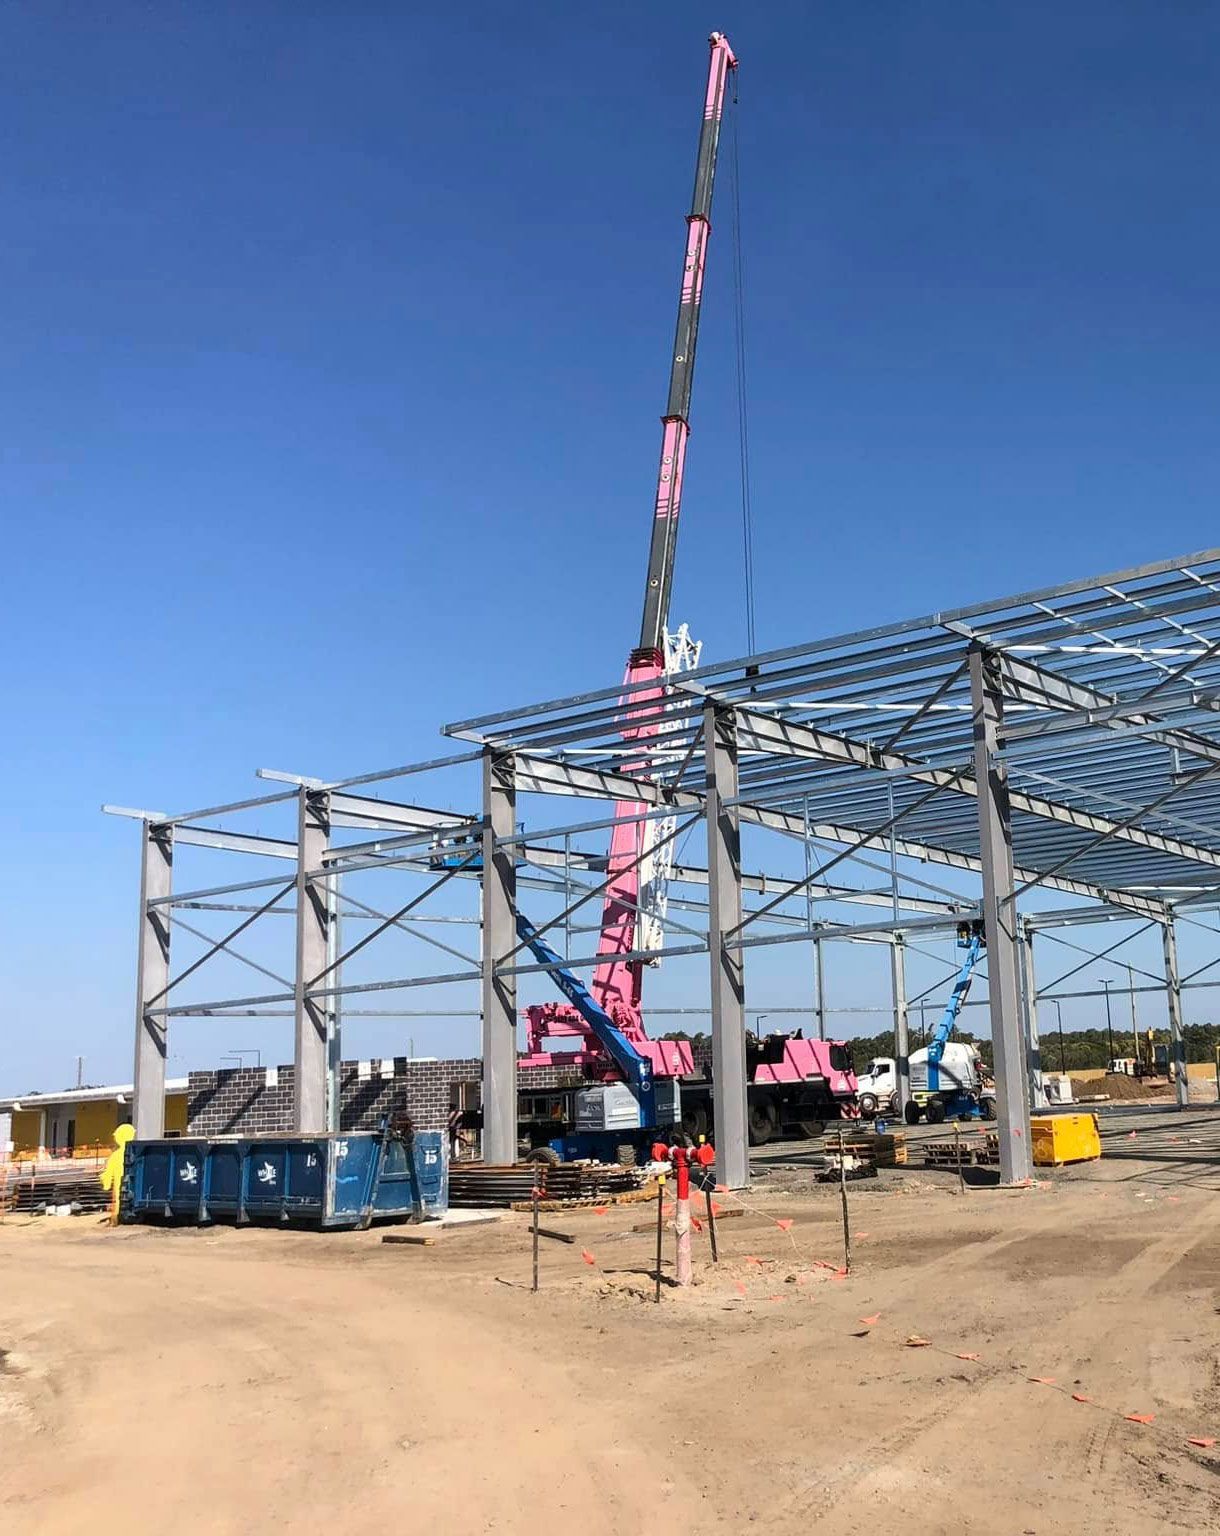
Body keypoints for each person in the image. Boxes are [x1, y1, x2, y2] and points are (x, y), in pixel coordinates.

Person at [100, 1123, 135, 1225]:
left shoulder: (115, 1155)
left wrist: (104, 1181)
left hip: (119, 1183)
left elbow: (107, 1174)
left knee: (118, 1198)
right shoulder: (135, 1152)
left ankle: (116, 1218)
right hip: (130, 1181)